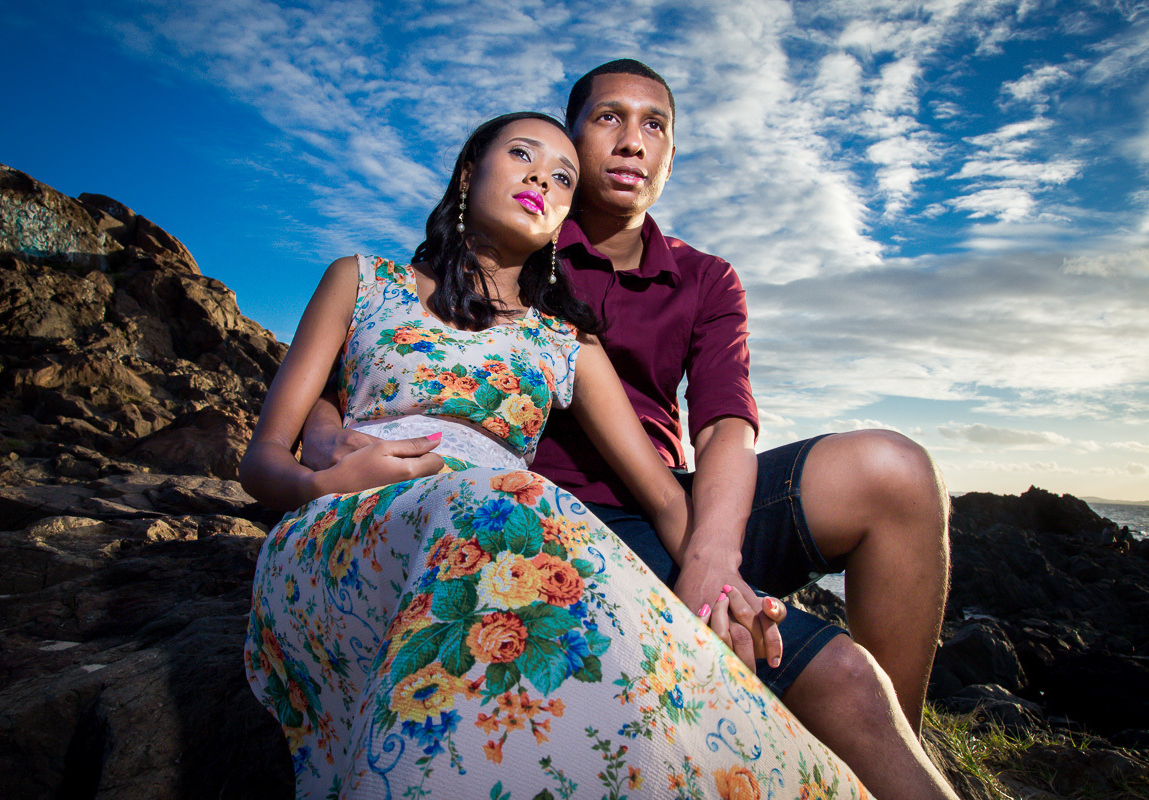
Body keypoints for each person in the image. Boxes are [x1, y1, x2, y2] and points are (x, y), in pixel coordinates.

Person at [301, 62, 958, 800]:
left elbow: (723, 427)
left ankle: (898, 741)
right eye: (608, 118)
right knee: (838, 674)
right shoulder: (523, 243)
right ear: (572, 144)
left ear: (671, 158)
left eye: (654, 126)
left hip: (675, 503)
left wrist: (713, 555)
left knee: (896, 471)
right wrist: (326, 440)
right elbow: (394, 368)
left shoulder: (706, 278)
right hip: (554, 514)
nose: (632, 142)